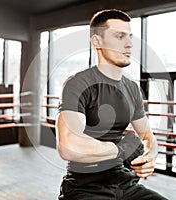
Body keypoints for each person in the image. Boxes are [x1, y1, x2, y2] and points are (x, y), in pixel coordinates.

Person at [56, 9, 168, 200]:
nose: (129, 44)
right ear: (97, 41)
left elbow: (148, 136)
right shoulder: (79, 83)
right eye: (119, 36)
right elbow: (68, 146)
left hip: (125, 183)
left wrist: (149, 156)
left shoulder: (131, 88)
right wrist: (121, 150)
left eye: (130, 37)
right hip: (86, 187)